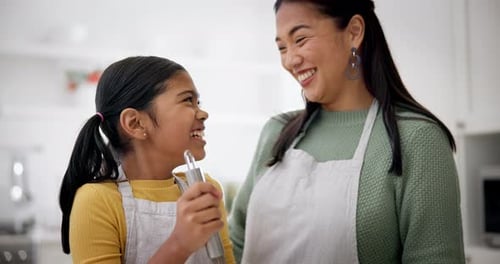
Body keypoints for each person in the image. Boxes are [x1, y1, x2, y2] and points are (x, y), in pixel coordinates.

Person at [228, 0, 465, 263]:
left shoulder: (418, 140)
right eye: (282, 47)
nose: (290, 60)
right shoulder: (277, 133)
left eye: (301, 39)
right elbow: (234, 245)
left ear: (354, 32)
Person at [59, 56, 235, 264]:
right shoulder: (97, 201)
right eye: (188, 100)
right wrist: (179, 244)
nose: (203, 113)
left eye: (198, 102)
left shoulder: (206, 189)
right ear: (135, 124)